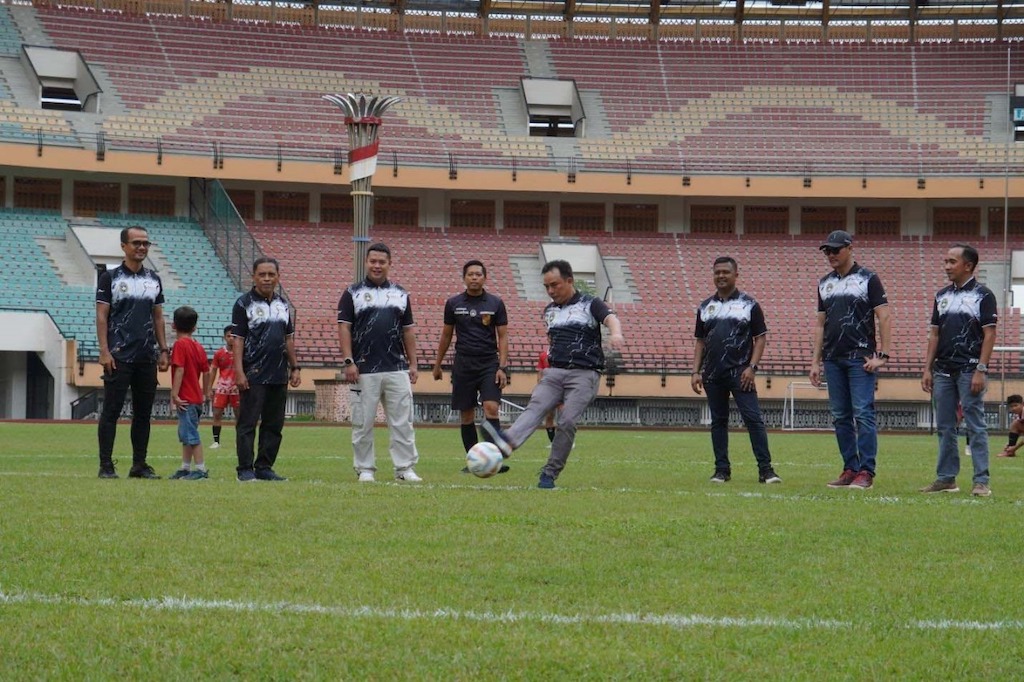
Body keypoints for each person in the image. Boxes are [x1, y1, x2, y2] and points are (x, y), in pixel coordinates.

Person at [482, 259, 625, 489]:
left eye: (555, 285)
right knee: (535, 408)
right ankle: (506, 443)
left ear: (569, 281)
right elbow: (553, 341)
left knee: (567, 420)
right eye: (546, 286)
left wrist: (616, 334)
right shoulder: (549, 311)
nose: (550, 291)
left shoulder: (591, 304)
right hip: (554, 372)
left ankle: (549, 473)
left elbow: (611, 319)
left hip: (584, 373)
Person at [810, 230, 891, 490]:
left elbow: (884, 317)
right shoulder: (824, 283)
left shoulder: (868, 279)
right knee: (840, 416)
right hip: (833, 359)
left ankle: (866, 471)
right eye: (827, 251)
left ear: (849, 248)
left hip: (860, 358)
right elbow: (820, 325)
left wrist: (883, 355)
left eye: (835, 250)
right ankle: (850, 468)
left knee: (863, 414)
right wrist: (815, 361)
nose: (831, 255)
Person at [691, 256, 781, 484]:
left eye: (725, 272)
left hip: (741, 373)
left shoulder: (749, 304)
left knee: (753, 420)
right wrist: (695, 371)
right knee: (718, 422)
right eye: (717, 272)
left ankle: (766, 470)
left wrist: (752, 367)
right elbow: (700, 341)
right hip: (712, 375)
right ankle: (721, 470)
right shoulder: (704, 307)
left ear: (736, 274)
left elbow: (760, 338)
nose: (721, 276)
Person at [338, 243, 423, 483]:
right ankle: (365, 469)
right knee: (362, 421)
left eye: (381, 262)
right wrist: (349, 361)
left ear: (389, 264)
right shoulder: (351, 292)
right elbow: (344, 327)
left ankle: (404, 469)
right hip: (363, 369)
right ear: (366, 263)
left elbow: (408, 331)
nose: (377, 265)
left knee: (402, 422)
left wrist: (413, 364)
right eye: (373, 261)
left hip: (397, 368)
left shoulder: (401, 293)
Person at [920, 243, 997, 497]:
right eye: (946, 261)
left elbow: (989, 334)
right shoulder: (941, 296)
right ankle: (946, 478)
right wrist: (927, 369)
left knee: (975, 424)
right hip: (942, 370)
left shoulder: (984, 296)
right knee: (944, 426)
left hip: (969, 370)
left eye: (952, 262)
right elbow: (934, 334)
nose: (947, 267)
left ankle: (981, 480)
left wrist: (980, 369)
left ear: (968, 266)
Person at [95, 225, 169, 479]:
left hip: (146, 355)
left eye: (145, 243)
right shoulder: (110, 278)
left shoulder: (154, 279)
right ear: (124, 246)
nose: (141, 247)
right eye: (136, 243)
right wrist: (104, 351)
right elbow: (102, 316)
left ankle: (139, 465)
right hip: (118, 355)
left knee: (143, 414)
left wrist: (163, 349)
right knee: (112, 411)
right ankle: (106, 465)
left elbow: (158, 317)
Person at [431, 259, 511, 473]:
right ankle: (473, 460)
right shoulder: (453, 303)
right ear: (464, 278)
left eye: (478, 274)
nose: (474, 277)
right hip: (463, 364)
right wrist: (437, 364)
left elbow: (502, 337)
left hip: (489, 363)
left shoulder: (495, 303)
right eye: (470, 274)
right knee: (466, 414)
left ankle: (494, 459)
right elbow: (446, 335)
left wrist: (502, 367)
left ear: (485, 278)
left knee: (491, 408)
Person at [232, 257, 301, 483]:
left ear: (278, 277)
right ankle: (245, 469)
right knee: (247, 423)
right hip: (253, 374)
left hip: (278, 374)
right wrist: (239, 371)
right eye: (262, 274)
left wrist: (295, 367)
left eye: (271, 274)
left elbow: (288, 338)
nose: (267, 279)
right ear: (253, 276)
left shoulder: (283, 304)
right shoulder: (244, 304)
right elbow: (238, 340)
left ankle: (264, 467)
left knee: (274, 424)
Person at [168, 306, 212, 480]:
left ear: (173, 325)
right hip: (196, 398)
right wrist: (206, 392)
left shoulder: (180, 345)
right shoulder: (197, 346)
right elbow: (207, 371)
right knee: (186, 434)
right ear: (194, 327)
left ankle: (201, 469)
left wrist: (174, 394)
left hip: (185, 398)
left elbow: (179, 369)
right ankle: (185, 467)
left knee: (191, 435)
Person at [209, 325, 238, 449]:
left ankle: (239, 441)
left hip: (236, 388)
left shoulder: (241, 352)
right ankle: (216, 442)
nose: (231, 338)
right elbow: (213, 370)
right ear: (224, 337)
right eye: (228, 336)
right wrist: (209, 388)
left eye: (233, 336)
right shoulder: (219, 353)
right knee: (217, 414)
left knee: (239, 415)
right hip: (222, 388)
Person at [537, 348, 557, 445]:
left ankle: (567, 440)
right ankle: (553, 441)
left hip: (562, 387)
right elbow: (540, 372)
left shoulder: (564, 353)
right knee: (549, 416)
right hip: (549, 389)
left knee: (565, 415)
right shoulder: (543, 355)